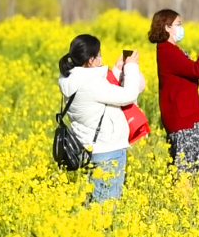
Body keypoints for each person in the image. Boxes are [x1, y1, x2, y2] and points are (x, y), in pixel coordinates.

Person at [58, 34, 145, 203]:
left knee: (93, 201)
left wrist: (116, 71)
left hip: (88, 147)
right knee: (104, 207)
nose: (100, 58)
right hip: (107, 150)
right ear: (91, 60)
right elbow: (129, 94)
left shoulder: (71, 79)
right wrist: (131, 68)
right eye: (98, 55)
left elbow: (97, 96)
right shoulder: (91, 85)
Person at [148, 9, 199, 176]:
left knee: (190, 168)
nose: (181, 28)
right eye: (178, 25)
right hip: (181, 118)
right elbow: (197, 70)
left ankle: (188, 201)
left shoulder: (172, 49)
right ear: (167, 28)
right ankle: (183, 202)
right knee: (184, 170)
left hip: (187, 115)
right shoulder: (167, 51)